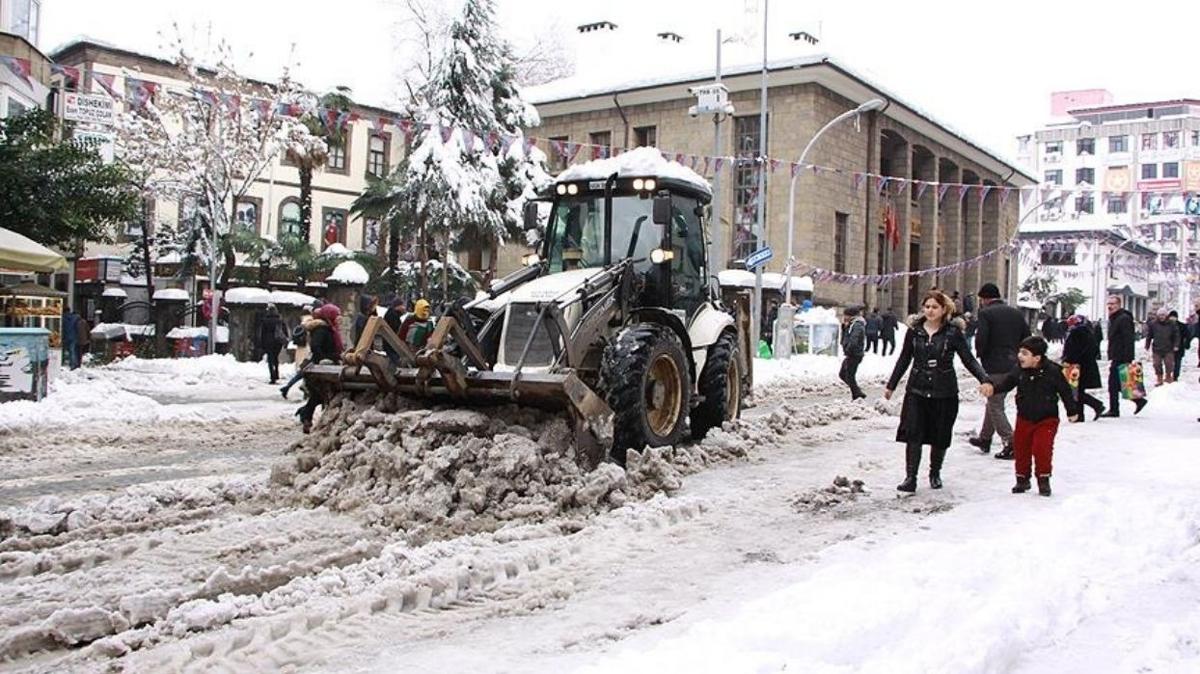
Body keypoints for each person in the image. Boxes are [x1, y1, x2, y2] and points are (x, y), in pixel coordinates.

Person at [884, 290, 991, 493]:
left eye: (934, 307)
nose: (930, 311)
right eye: (927, 307)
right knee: (913, 433)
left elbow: (968, 359)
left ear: (944, 309)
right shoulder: (915, 331)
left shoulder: (952, 332)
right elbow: (904, 359)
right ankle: (910, 477)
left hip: (945, 391)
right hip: (917, 389)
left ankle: (935, 473)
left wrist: (984, 379)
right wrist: (892, 384)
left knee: (940, 434)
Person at [988, 336, 1081, 497]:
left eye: (1024, 353)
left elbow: (1065, 392)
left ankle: (1043, 479)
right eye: (1019, 352)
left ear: (1037, 358)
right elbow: (1007, 383)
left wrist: (1072, 411)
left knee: (1042, 449)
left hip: (1047, 418)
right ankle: (1022, 479)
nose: (1019, 356)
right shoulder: (1019, 369)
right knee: (1021, 448)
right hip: (1024, 416)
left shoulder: (1053, 371)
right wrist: (993, 389)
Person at [969, 282, 1030, 459]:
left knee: (995, 404)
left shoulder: (986, 313)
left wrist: (980, 354)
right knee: (993, 399)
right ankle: (985, 438)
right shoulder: (1016, 312)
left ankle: (1010, 442)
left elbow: (982, 338)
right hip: (1014, 364)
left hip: (995, 364)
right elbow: (1026, 337)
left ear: (984, 299)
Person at [297, 304, 342, 433]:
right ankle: (307, 416)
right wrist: (324, 358)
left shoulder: (329, 328)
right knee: (320, 395)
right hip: (320, 368)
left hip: (326, 366)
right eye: (336, 315)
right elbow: (316, 346)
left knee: (319, 396)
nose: (338, 318)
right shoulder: (322, 329)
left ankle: (307, 416)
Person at [1100, 295, 1146, 416]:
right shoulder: (1115, 318)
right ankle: (1137, 401)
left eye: (1113, 304)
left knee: (1113, 384)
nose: (1110, 306)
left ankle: (1115, 409)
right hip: (1117, 355)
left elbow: (1128, 339)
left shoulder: (1123, 318)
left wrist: (1127, 358)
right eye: (1108, 304)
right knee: (1118, 384)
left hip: (1121, 356)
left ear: (1119, 305)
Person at [1060, 314, 1106, 420]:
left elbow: (1072, 350)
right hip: (1086, 365)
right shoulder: (1088, 331)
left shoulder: (1076, 332)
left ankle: (1096, 405)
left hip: (1077, 366)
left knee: (1075, 391)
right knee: (1078, 391)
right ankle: (1081, 414)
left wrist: (1068, 360)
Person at [280, 301, 321, 399]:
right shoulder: (312, 321)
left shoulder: (303, 321)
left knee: (302, 371)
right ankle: (303, 388)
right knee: (305, 371)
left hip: (300, 349)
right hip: (306, 349)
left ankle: (289, 387)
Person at [1144, 308, 1179, 386]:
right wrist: (1147, 345)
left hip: (1168, 348)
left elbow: (1176, 335)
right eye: (1160, 315)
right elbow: (1149, 336)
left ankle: (1168, 377)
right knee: (1157, 364)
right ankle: (1159, 378)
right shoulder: (1153, 324)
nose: (1161, 317)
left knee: (1169, 363)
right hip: (1157, 348)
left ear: (1166, 315)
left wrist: (1176, 345)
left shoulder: (1172, 324)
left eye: (1163, 315)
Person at [839, 306, 867, 400]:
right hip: (851, 353)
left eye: (845, 315)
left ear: (851, 316)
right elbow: (844, 338)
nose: (844, 317)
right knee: (843, 374)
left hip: (854, 354)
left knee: (849, 375)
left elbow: (854, 340)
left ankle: (857, 394)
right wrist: (844, 327)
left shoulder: (857, 325)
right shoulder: (851, 325)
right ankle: (857, 392)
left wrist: (848, 349)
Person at [256, 303, 288, 384]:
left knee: (270, 359)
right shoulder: (280, 320)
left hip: (268, 342)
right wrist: (284, 340)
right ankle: (277, 373)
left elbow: (262, 333)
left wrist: (262, 343)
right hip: (278, 342)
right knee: (276, 357)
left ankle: (272, 376)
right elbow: (284, 331)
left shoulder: (265, 321)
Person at [382, 296, 407, 365]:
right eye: (402, 305)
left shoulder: (393, 314)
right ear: (397, 306)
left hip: (389, 344)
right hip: (391, 344)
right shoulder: (393, 315)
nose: (404, 307)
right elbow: (396, 329)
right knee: (395, 361)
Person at [1169, 310, 1189, 383]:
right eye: (1171, 317)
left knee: (1177, 363)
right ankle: (1169, 375)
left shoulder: (1182, 326)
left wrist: (1187, 345)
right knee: (1169, 363)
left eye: (1174, 317)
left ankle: (1175, 377)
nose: (1172, 318)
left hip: (1179, 348)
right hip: (1169, 348)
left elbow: (1187, 336)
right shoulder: (1167, 325)